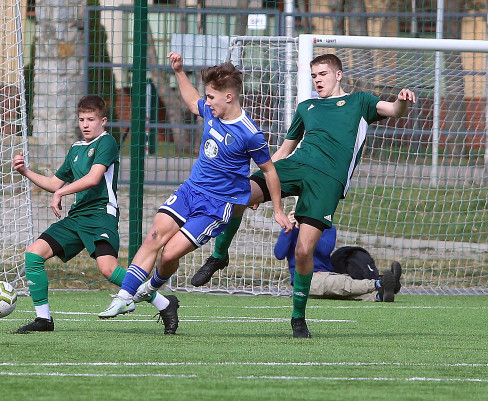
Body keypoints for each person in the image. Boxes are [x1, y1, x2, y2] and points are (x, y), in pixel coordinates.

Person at [192, 53, 416, 338]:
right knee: (240, 193)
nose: (317, 80)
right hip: (297, 165)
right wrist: (262, 181)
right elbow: (284, 151)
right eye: (313, 76)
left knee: (303, 251)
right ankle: (219, 255)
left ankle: (298, 317)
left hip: (328, 180)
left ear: (338, 75)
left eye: (323, 74)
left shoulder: (360, 101)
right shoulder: (307, 107)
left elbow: (394, 110)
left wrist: (402, 101)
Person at [98, 52, 291, 331]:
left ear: (229, 97)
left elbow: (270, 171)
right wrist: (178, 71)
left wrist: (278, 210)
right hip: (190, 190)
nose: (207, 102)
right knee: (154, 236)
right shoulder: (212, 112)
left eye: (211, 97)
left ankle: (149, 288)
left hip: (217, 206)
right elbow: (191, 102)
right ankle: (124, 297)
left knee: (169, 254)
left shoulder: (250, 134)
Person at [12, 95, 178, 334]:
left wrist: (61, 193)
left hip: (101, 214)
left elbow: (93, 178)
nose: (85, 125)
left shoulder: (106, 142)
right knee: (33, 255)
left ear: (103, 121)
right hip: (77, 217)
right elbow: (54, 183)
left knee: (108, 270)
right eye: (82, 120)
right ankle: (43, 319)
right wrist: (26, 171)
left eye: (91, 119)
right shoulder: (76, 149)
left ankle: (164, 303)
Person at [274, 211, 402, 302]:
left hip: (325, 275)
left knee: (341, 290)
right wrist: (290, 229)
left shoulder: (328, 228)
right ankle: (379, 283)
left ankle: (379, 295)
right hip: (305, 279)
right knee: (340, 284)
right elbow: (279, 254)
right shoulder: (291, 230)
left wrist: (307, 231)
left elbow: (325, 249)